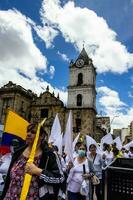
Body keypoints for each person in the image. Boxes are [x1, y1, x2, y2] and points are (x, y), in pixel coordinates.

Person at [1, 123, 64, 200]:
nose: (28, 134)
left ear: (42, 136)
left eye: (33, 132)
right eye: (28, 131)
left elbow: (60, 178)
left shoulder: (49, 155)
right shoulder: (18, 151)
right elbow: (9, 180)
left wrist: (39, 171)